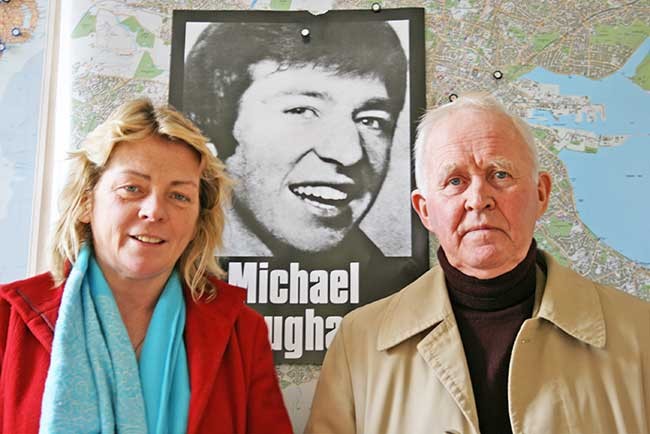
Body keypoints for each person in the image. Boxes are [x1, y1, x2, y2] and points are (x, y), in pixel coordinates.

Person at [306, 93, 650, 434]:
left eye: (500, 174)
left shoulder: (640, 334)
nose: (478, 200)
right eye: (455, 181)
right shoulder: (359, 344)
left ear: (541, 194)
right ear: (425, 209)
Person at [0, 99, 293, 434]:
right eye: (132, 189)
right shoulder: (7, 322)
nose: (154, 211)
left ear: (199, 220)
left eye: (179, 196)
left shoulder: (243, 333)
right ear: (86, 202)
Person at [182, 21, 409, 259]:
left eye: (370, 120)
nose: (349, 153)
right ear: (217, 124)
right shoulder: (164, 273)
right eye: (301, 111)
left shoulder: (396, 288)